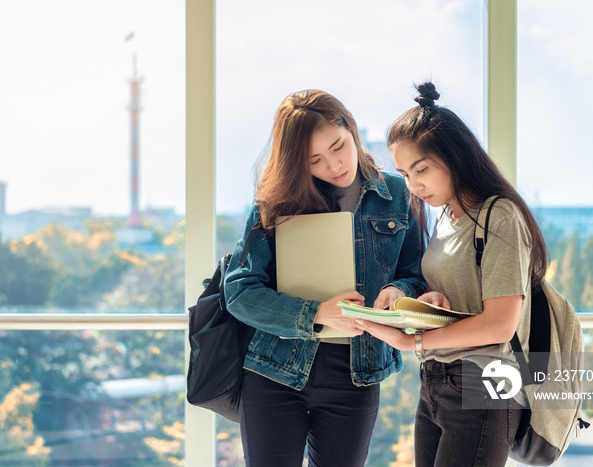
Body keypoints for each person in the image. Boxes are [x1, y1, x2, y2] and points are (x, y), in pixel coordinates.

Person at [223, 89, 425, 467]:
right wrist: (316, 313)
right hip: (275, 370)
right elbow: (239, 291)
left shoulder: (398, 194)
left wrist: (398, 290)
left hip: (357, 375)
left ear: (350, 125)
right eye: (314, 159)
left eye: (338, 146)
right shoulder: (276, 200)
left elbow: (416, 276)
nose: (334, 165)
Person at [353, 82, 549, 467]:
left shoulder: (500, 216)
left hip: (483, 385)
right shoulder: (445, 217)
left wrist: (416, 344)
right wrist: (430, 302)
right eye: (405, 174)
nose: (413, 185)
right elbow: (458, 296)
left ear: (455, 156)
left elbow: (499, 325)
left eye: (421, 169)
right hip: (435, 384)